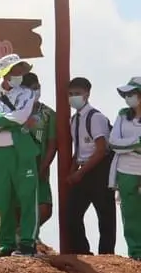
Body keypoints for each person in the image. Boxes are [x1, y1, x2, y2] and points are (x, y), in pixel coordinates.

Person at [0, 54, 39, 256]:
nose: (20, 75)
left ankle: (27, 242)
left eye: (22, 70)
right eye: (16, 71)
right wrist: (5, 120)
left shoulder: (27, 94)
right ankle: (6, 243)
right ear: (5, 74)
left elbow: (21, 117)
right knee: (4, 200)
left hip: (21, 152)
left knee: (27, 198)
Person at [67, 76, 116, 254]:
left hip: (99, 168)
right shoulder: (74, 120)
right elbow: (78, 149)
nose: (73, 98)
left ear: (87, 94)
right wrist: (73, 170)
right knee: (72, 213)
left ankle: (106, 254)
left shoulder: (96, 118)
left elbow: (101, 149)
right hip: (84, 168)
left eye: (77, 94)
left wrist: (80, 173)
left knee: (105, 215)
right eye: (71, 94)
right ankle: (83, 252)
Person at [108, 76, 141, 260]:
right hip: (126, 171)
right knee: (130, 214)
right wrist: (135, 144)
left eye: (132, 93)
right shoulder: (122, 114)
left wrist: (127, 146)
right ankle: (135, 254)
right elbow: (113, 142)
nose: (128, 97)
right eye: (126, 94)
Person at [22, 73, 57, 227]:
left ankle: (30, 237)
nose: (35, 92)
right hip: (18, 168)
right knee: (18, 206)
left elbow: (52, 144)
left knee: (44, 208)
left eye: (36, 88)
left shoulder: (48, 114)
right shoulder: (15, 113)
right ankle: (21, 238)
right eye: (30, 90)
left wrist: (44, 166)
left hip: (39, 168)